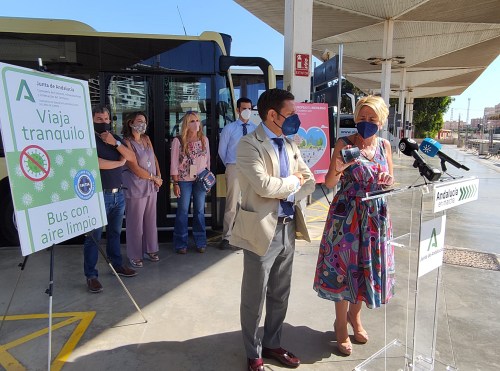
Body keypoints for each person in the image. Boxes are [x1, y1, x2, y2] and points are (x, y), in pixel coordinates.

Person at [230, 89, 316, 371]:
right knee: (254, 297)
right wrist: (291, 182)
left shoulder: (290, 144)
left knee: (281, 292)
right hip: (260, 230)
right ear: (272, 115)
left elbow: (310, 180)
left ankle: (272, 343)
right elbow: (263, 186)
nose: (295, 119)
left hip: (287, 227)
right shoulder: (248, 145)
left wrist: (287, 185)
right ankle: (253, 353)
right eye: (290, 114)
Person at [313, 95, 395, 356]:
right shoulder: (344, 143)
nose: (366, 122)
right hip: (346, 214)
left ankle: (354, 317)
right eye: (362, 118)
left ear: (381, 121)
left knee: (364, 266)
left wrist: (386, 180)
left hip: (374, 216)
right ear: (355, 118)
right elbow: (328, 182)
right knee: (344, 267)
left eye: (372, 119)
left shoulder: (385, 146)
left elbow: (390, 181)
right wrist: (339, 166)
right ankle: (340, 323)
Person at [84, 105, 138, 294]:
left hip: (118, 194)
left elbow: (131, 157)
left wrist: (115, 144)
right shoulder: (88, 139)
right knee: (94, 238)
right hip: (99, 195)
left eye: (107, 119)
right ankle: (91, 275)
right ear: (92, 120)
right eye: (99, 119)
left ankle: (117, 265)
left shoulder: (114, 138)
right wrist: (119, 162)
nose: (104, 122)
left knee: (115, 233)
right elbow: (95, 163)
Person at [121, 111, 163, 268]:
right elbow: (134, 168)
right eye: (139, 121)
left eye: (144, 121)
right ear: (131, 123)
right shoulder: (127, 143)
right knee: (135, 223)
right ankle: (135, 255)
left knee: (150, 220)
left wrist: (158, 176)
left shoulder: (146, 139)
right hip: (135, 186)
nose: (142, 124)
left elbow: (154, 158)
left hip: (151, 186)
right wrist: (153, 177)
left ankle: (151, 249)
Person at [217, 97, 257, 250]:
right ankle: (227, 236)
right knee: (232, 204)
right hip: (234, 167)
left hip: (250, 169)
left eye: (249, 108)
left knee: (248, 204)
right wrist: (231, 164)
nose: (247, 111)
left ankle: (245, 237)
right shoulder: (229, 128)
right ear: (238, 110)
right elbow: (222, 150)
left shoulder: (255, 128)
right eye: (244, 108)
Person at [170, 111, 210, 254]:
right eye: (192, 121)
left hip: (200, 180)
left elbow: (207, 162)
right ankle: (181, 243)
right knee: (183, 211)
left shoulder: (204, 139)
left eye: (197, 120)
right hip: (183, 180)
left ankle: (200, 241)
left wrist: (208, 182)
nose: (196, 123)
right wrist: (175, 183)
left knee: (199, 211)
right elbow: (174, 163)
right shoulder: (178, 141)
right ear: (186, 124)